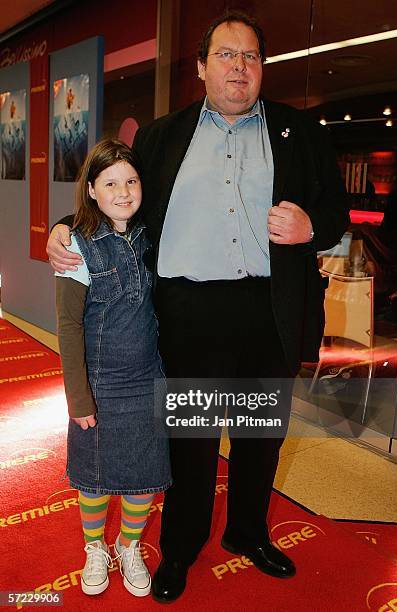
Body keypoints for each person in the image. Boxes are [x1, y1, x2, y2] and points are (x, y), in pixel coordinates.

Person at [47, 11, 349, 604]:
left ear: (263, 68)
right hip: (189, 313)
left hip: (269, 310)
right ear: (203, 67)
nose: (241, 66)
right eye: (227, 55)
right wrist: (64, 228)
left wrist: (313, 225)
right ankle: (179, 549)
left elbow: (336, 210)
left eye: (252, 57)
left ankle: (247, 534)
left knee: (260, 439)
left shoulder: (299, 131)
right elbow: (115, 192)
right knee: (192, 443)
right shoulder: (164, 136)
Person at [55, 139, 171, 598]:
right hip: (100, 387)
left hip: (148, 380)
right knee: (95, 479)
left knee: (144, 477)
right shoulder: (75, 248)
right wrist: (78, 397)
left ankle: (128, 546)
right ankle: (94, 550)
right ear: (91, 189)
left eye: (131, 180)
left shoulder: (149, 237)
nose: (123, 191)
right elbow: (67, 327)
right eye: (110, 182)